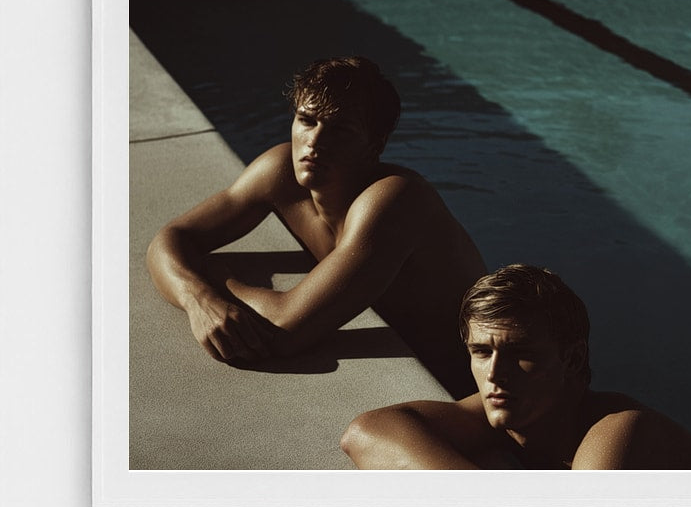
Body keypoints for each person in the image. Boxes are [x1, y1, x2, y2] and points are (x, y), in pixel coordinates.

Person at [146, 56, 486, 398]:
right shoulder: (279, 172)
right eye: (306, 120)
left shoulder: (396, 201)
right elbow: (169, 239)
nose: (315, 142)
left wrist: (215, 275)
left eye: (339, 129)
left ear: (375, 144)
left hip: (465, 389)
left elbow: (284, 331)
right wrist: (198, 296)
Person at [340, 264, 691, 469]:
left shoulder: (622, 431)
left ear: (573, 358)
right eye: (481, 352)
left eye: (521, 353)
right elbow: (366, 432)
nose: (494, 374)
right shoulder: (515, 416)